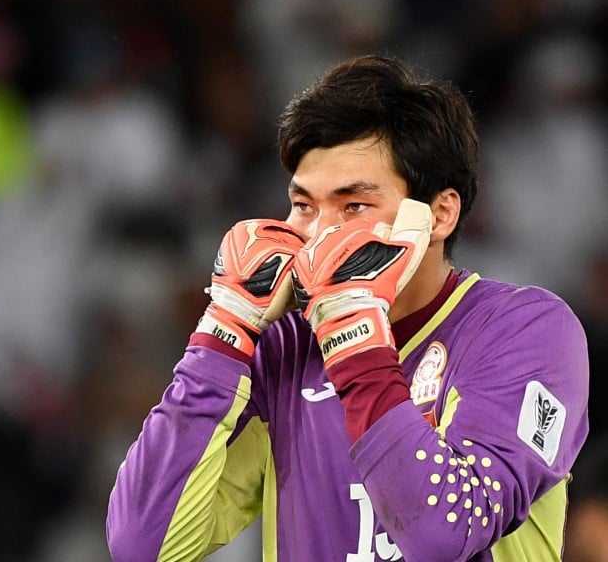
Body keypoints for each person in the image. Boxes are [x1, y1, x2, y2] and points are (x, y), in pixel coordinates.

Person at [106, 54, 589, 561]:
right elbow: (143, 545)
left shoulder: (527, 331)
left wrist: (354, 337)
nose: (320, 235)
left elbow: (444, 534)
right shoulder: (284, 349)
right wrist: (222, 335)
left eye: (354, 206)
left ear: (440, 214)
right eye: (304, 206)